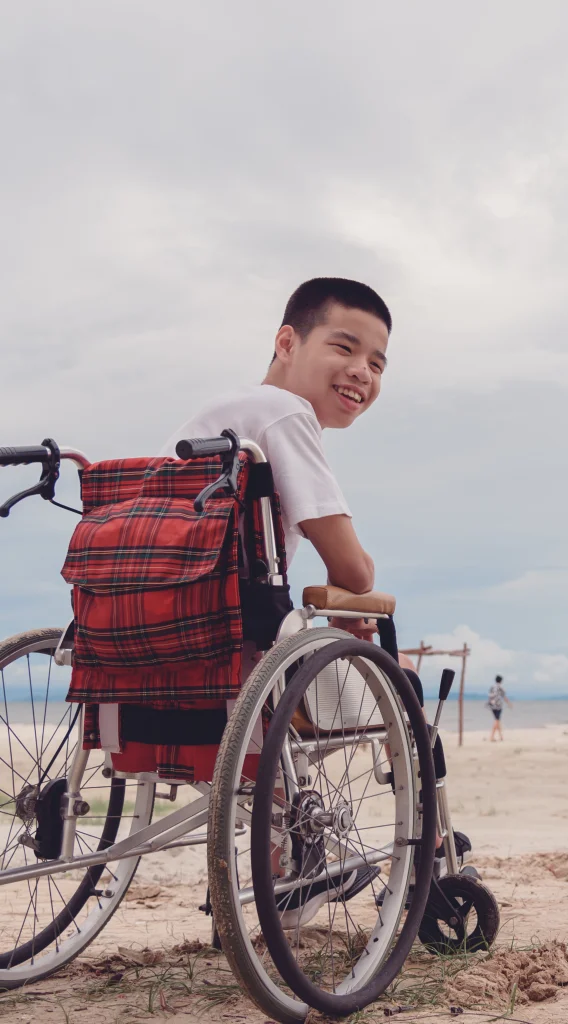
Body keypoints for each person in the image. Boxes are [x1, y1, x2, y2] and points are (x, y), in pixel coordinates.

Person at [161, 277, 391, 918]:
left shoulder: (209, 418)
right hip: (238, 642)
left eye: (376, 363)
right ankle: (304, 846)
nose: (361, 373)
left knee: (298, 638)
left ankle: (291, 840)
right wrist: (355, 587)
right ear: (287, 341)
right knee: (351, 657)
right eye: (344, 348)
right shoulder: (285, 414)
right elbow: (353, 567)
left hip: (164, 638)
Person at [488, 674, 512, 741]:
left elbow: (490, 696)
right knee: (496, 720)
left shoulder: (492, 687)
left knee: (497, 720)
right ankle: (492, 737)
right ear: (501, 681)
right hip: (498, 706)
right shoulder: (500, 688)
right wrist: (509, 703)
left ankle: (501, 736)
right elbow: (504, 697)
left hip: (492, 706)